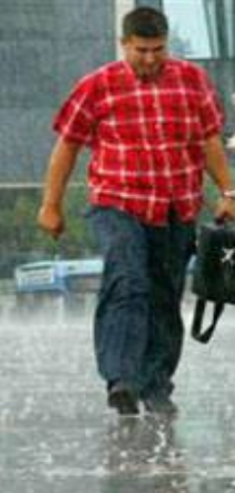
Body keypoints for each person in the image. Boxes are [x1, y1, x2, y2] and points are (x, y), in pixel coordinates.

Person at [37, 7, 235, 416]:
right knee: (127, 282)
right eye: (141, 50)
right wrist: (51, 205)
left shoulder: (192, 81)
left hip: (176, 207)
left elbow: (209, 141)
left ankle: (156, 384)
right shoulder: (97, 86)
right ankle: (122, 379)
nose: (150, 58)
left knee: (165, 295)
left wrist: (228, 192)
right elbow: (67, 146)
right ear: (124, 44)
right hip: (118, 203)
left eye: (158, 49)